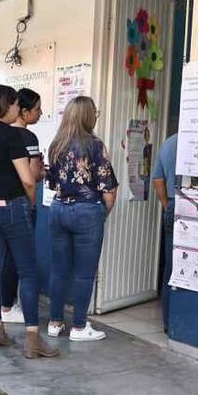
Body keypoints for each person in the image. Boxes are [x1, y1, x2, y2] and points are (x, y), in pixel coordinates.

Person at [0, 85, 57, 358]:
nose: (17, 109)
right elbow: (28, 179)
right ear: (5, 106)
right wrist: (29, 203)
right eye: (15, 105)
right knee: (28, 271)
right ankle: (33, 338)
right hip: (12, 206)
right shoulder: (12, 136)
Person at [46, 96, 118, 342]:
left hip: (58, 209)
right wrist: (101, 213)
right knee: (84, 273)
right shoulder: (95, 145)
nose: (96, 115)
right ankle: (78, 326)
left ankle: (55, 323)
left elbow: (53, 183)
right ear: (88, 116)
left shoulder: (56, 144)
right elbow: (109, 189)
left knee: (59, 270)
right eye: (94, 112)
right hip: (87, 210)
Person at [0, 88, 44, 322]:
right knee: (20, 259)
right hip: (21, 202)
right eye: (36, 109)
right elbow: (32, 175)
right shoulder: (28, 138)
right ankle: (9, 307)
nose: (40, 113)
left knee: (4, 255)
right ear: (23, 112)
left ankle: (3, 305)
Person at [151, 131, 179, 332]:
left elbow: (158, 180)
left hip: (174, 204)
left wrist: (166, 204)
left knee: (172, 267)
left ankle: (168, 322)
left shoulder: (169, 143)